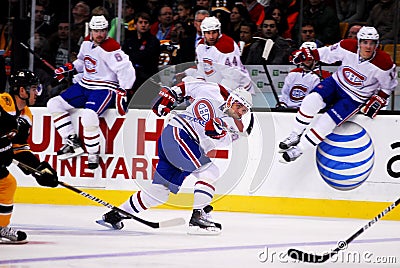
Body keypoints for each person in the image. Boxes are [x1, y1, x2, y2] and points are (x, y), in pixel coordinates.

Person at [98, 81, 253, 234]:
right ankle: (199, 214)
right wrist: (171, 95)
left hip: (182, 146)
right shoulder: (215, 90)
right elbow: (188, 86)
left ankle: (115, 215)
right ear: (232, 99)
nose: (240, 112)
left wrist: (217, 132)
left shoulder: (235, 126)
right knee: (209, 172)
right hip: (178, 134)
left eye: (244, 110)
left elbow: (220, 142)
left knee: (159, 193)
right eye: (238, 106)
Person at [279, 26, 398, 162]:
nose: (368, 47)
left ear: (377, 44)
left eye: (372, 43)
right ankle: (295, 134)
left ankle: (299, 149)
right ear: (358, 42)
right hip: (336, 83)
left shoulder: (384, 63)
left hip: (355, 97)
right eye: (365, 42)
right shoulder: (347, 45)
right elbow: (327, 54)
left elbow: (388, 87)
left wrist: (380, 98)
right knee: (311, 100)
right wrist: (310, 54)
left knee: (326, 122)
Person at [46, 15, 135, 170]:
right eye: (96, 31)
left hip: (105, 87)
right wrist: (68, 68)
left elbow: (126, 69)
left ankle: (93, 153)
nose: (99, 34)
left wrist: (123, 90)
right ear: (91, 30)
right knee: (54, 104)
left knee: (89, 116)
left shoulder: (111, 47)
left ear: (107, 30)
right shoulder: (87, 42)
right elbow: (82, 61)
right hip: (85, 84)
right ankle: (71, 141)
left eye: (102, 30)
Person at [0, 70, 58, 243]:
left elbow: (18, 147)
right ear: (22, 91)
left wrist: (38, 169)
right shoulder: (4, 101)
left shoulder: (25, 115)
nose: (37, 92)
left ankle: (1, 227)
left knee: (7, 184)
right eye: (33, 88)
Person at [183, 16, 254, 93]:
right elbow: (201, 71)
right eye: (208, 33)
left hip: (241, 90)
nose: (211, 37)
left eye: (214, 32)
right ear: (203, 33)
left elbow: (233, 78)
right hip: (216, 87)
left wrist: (215, 93)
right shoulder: (200, 46)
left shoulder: (227, 46)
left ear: (219, 31)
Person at [277, 42, 331, 109]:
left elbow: (320, 100)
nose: (307, 60)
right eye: (303, 57)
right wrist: (282, 105)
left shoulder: (323, 76)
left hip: (307, 113)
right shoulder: (293, 74)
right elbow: (284, 95)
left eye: (310, 57)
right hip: (289, 111)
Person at [122, 12, 160, 97]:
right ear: (135, 25)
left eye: (146, 23)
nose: (143, 25)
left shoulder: (154, 41)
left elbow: (146, 58)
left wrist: (133, 57)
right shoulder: (129, 41)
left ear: (150, 26)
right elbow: (124, 58)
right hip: (131, 77)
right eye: (140, 22)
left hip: (148, 78)